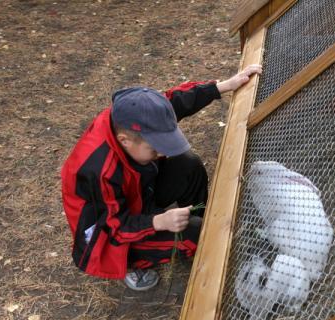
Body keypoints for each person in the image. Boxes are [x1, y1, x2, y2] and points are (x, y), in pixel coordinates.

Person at [61, 65, 262, 291]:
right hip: (110, 237)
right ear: (125, 140)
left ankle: (202, 219)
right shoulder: (98, 171)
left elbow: (173, 101)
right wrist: (158, 222)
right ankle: (135, 264)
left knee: (188, 164)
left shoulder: (136, 116)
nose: (163, 154)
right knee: (194, 234)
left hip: (137, 193)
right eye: (155, 149)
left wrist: (223, 86)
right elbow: (112, 227)